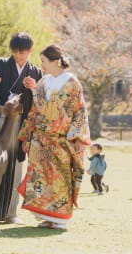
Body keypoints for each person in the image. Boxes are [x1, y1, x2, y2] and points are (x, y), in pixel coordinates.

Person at [17, 44, 90, 230]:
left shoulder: (72, 82)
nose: (41, 65)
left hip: (61, 138)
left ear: (55, 61)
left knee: (60, 178)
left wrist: (74, 136)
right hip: (40, 139)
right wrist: (27, 135)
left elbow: (75, 112)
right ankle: (46, 215)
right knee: (41, 176)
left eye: (44, 61)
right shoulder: (44, 81)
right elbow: (35, 110)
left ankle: (60, 218)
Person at [0, 32, 43, 224]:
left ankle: (9, 213)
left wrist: (34, 88)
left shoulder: (36, 72)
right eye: (15, 52)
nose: (18, 56)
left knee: (14, 166)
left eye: (22, 52)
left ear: (30, 51)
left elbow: (44, 98)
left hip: (19, 124)